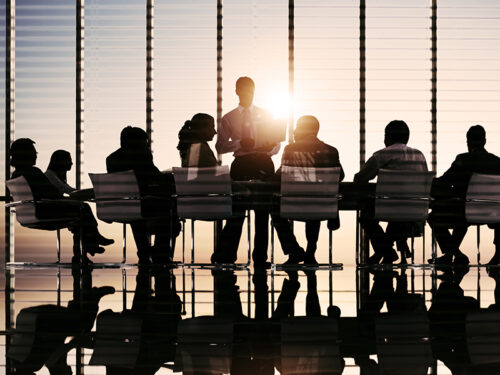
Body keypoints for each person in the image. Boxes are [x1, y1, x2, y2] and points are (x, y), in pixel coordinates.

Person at [212, 77, 280, 266]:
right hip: (241, 162)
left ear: (254, 90)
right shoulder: (228, 118)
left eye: (250, 89)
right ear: (237, 91)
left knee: (262, 212)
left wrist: (269, 147)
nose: (247, 93)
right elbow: (220, 146)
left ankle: (260, 258)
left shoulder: (266, 115)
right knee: (237, 210)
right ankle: (228, 255)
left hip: (263, 161)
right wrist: (240, 143)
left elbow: (277, 145)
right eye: (243, 89)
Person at [10, 138, 111, 263]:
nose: (36, 156)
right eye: (34, 153)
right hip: (44, 212)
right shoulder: (33, 172)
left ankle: (89, 246)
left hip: (30, 214)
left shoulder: (16, 175)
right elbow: (51, 194)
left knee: (79, 213)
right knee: (83, 208)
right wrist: (66, 200)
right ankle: (92, 242)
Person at [273, 115, 345, 265]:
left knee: (275, 211)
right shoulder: (331, 151)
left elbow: (280, 176)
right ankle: (310, 251)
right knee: (314, 205)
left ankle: (294, 251)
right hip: (322, 206)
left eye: (298, 127)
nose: (294, 130)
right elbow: (340, 175)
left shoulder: (290, 149)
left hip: (294, 204)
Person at [354, 120, 428, 264]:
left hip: (389, 208)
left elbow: (360, 178)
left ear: (387, 137)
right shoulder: (420, 156)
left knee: (366, 215)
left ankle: (385, 251)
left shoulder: (382, 155)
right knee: (398, 214)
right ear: (407, 137)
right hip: (415, 210)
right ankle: (386, 251)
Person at [106, 126, 180, 265]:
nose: (147, 144)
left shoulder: (111, 159)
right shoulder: (141, 154)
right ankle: (160, 252)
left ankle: (144, 253)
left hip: (122, 207)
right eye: (146, 141)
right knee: (169, 208)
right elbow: (153, 176)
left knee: (136, 210)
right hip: (144, 205)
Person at [428, 125, 500, 265]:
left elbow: (445, 181)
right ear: (484, 141)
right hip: (494, 213)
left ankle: (454, 253)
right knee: (462, 213)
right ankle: (496, 254)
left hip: (466, 211)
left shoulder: (464, 159)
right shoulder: (497, 162)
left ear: (468, 142)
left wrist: (429, 183)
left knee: (434, 217)